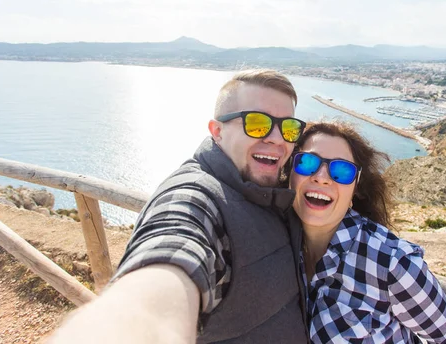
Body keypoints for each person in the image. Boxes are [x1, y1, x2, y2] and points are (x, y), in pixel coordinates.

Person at [48, 70, 309, 344]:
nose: (278, 139)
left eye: (289, 128)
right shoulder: (197, 196)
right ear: (217, 131)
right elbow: (172, 248)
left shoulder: (272, 188)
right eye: (257, 124)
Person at [288, 121, 446, 343]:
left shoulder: (392, 263)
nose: (322, 177)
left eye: (342, 170)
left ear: (356, 187)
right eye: (307, 162)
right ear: (290, 172)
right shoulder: (277, 244)